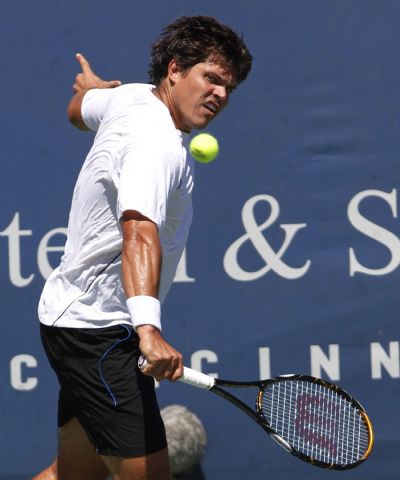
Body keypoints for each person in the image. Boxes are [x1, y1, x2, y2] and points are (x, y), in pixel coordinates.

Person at [34, 15, 252, 480]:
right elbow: (138, 231)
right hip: (101, 334)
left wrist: (90, 89)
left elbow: (77, 111)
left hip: (71, 318)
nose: (220, 95)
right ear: (175, 70)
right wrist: (148, 330)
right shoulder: (157, 145)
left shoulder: (130, 96)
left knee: (72, 477)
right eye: (210, 79)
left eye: (228, 87)